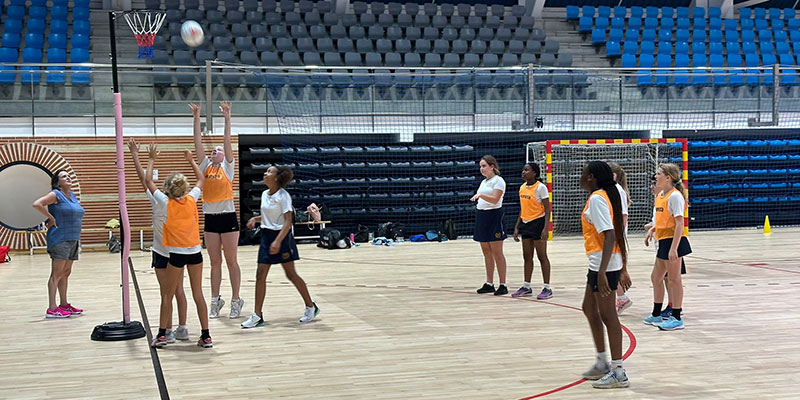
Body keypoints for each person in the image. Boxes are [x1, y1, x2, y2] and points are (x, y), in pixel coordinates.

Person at [147, 146, 213, 348]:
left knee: (167, 295)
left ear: (168, 189)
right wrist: (191, 160)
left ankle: (161, 335)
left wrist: (151, 159)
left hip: (176, 254)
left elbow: (148, 181)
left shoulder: (166, 203)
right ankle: (206, 335)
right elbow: (202, 179)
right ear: (184, 189)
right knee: (198, 294)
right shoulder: (192, 198)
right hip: (195, 252)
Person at [241, 165, 319, 328]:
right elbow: (269, 216)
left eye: (269, 172)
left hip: (282, 238)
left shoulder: (284, 196)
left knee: (291, 275)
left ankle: (311, 306)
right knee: (260, 275)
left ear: (277, 178)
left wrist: (277, 241)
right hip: (266, 237)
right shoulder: (264, 194)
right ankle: (257, 315)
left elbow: (287, 221)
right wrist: (256, 219)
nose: (265, 173)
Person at [128, 138, 189, 343]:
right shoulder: (185, 202)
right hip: (178, 251)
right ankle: (182, 328)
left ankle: (169, 331)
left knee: (167, 292)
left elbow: (143, 179)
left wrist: (144, 157)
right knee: (178, 290)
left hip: (164, 252)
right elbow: (144, 179)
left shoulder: (159, 200)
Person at [578, 161, 631, 389]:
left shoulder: (598, 198)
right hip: (601, 263)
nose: (580, 177)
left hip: (604, 265)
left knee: (609, 315)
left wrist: (603, 273)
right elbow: (619, 232)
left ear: (591, 177)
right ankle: (602, 362)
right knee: (589, 308)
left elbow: (610, 235)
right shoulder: (610, 193)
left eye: (583, 173)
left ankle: (618, 371)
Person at [191, 102, 243, 319]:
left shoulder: (228, 167)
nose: (215, 150)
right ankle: (215, 300)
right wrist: (197, 116)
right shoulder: (205, 166)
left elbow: (226, 141)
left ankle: (236, 299)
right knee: (214, 262)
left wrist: (227, 117)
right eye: (213, 151)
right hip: (210, 219)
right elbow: (198, 141)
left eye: (218, 150)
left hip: (228, 218)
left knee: (231, 260)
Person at [644, 164, 692, 331]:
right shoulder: (660, 196)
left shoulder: (675, 196)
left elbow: (679, 224)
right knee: (656, 277)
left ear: (668, 178)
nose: (655, 176)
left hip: (673, 241)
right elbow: (664, 220)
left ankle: (677, 317)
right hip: (663, 240)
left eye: (658, 174)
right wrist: (653, 229)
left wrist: (674, 248)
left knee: (674, 280)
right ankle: (656, 313)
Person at [33, 169, 85, 318]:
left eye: (68, 175)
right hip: (60, 239)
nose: (68, 177)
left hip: (73, 238)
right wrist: (50, 218)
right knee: (56, 274)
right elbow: (37, 204)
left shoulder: (72, 196)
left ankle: (64, 304)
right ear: (58, 182)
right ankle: (51, 308)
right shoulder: (55, 194)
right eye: (64, 176)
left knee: (65, 273)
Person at [512, 162, 553, 299]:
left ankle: (547, 288)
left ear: (534, 173)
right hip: (526, 223)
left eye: (527, 170)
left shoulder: (540, 188)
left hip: (538, 223)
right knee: (527, 257)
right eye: (523, 170)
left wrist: (546, 228)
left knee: (542, 256)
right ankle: (526, 286)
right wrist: (517, 226)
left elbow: (547, 209)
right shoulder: (522, 187)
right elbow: (522, 209)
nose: (523, 172)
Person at [470, 155, 508, 296]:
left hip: (494, 216)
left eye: (484, 165)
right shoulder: (484, 182)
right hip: (482, 215)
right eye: (480, 166)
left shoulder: (498, 181)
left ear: (492, 166)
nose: (481, 168)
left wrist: (480, 196)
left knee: (497, 252)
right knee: (486, 251)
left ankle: (503, 284)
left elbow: (495, 199)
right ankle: (489, 283)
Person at [607, 162, 631, 314]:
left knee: (613, 269)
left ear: (613, 176)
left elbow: (623, 216)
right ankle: (619, 297)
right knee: (609, 268)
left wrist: (617, 236)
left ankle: (621, 297)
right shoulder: (611, 190)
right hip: (611, 234)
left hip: (616, 235)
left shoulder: (617, 190)